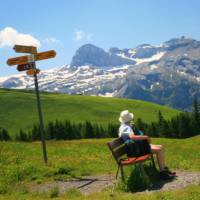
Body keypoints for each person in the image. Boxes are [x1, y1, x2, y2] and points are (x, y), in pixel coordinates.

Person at [118, 110, 176, 180]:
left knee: (161, 147)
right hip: (136, 151)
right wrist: (146, 137)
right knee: (159, 150)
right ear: (129, 119)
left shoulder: (124, 126)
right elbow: (132, 137)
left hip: (135, 148)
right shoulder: (126, 127)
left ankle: (164, 169)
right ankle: (162, 173)